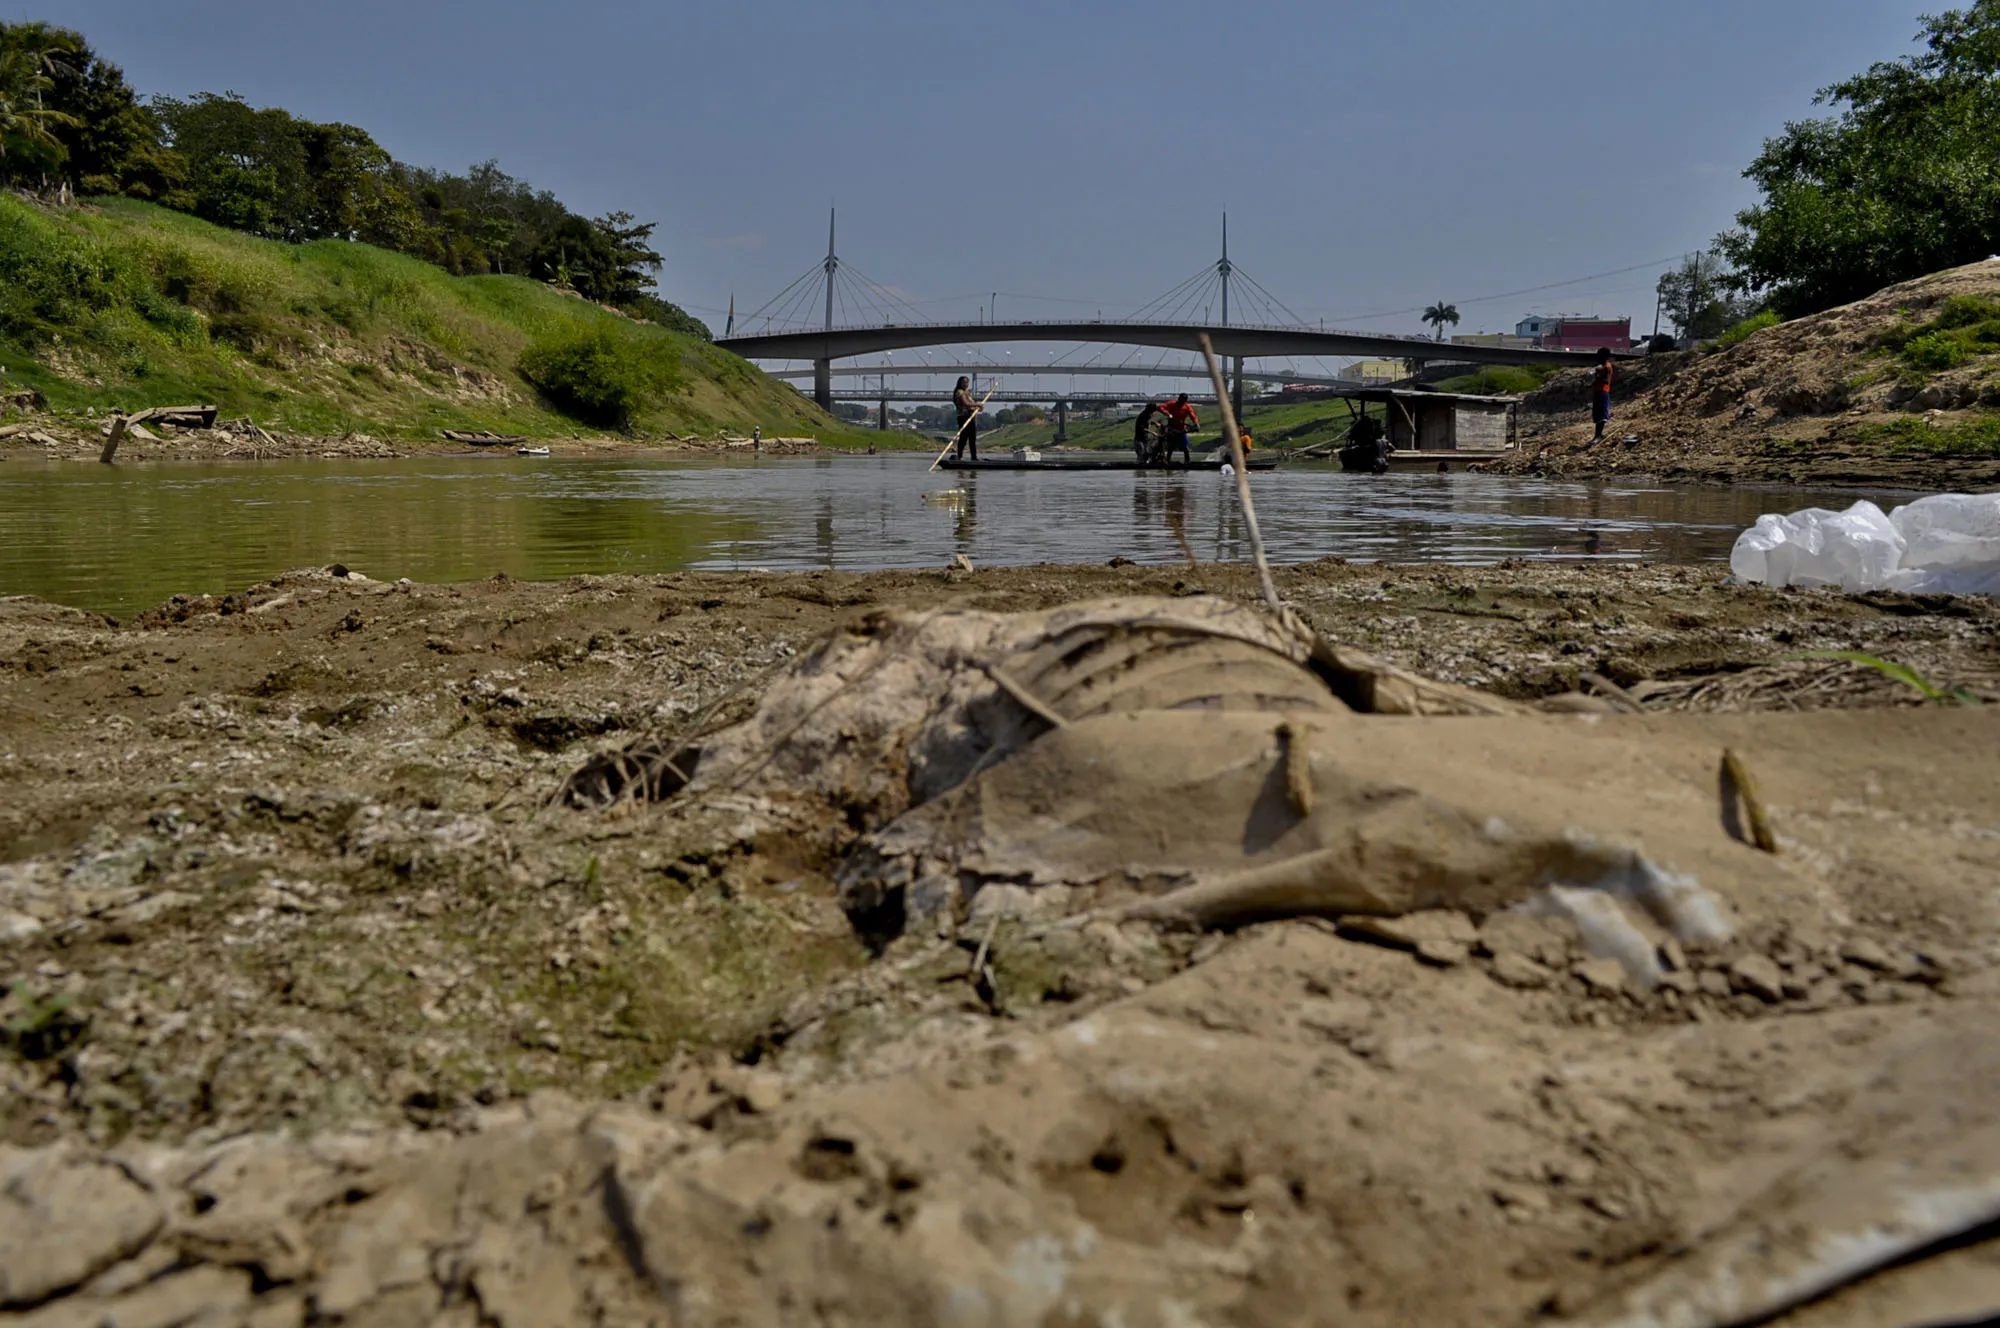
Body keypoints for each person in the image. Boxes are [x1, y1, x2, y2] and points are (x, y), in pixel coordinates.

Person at [1159, 393, 1199, 466]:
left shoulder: (1187, 407)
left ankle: (1187, 462)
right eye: (1181, 400)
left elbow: (1193, 416)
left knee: (1185, 448)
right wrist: (1168, 414)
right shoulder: (1172, 403)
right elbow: (1160, 407)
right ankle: (1168, 462)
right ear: (1178, 399)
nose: (1182, 402)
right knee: (1171, 447)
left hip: (1181, 430)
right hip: (1172, 429)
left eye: (1183, 401)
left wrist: (1196, 423)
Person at [951, 377, 980, 461]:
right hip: (963, 417)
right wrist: (977, 405)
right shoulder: (959, 392)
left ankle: (974, 457)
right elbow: (966, 403)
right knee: (963, 438)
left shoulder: (967, 392)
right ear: (960, 383)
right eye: (964, 383)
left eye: (967, 383)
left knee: (972, 438)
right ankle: (959, 456)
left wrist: (977, 408)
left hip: (970, 417)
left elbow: (971, 404)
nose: (965, 384)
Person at [1590, 347, 1614, 444]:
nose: (1597, 356)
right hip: (1598, 391)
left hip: (1603, 392)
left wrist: (1597, 379)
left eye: (1599, 355)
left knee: (1601, 415)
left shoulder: (1607, 367)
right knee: (1597, 414)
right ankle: (1598, 435)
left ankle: (1598, 436)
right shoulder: (1601, 366)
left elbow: (1606, 381)